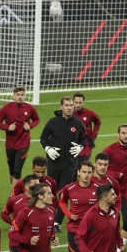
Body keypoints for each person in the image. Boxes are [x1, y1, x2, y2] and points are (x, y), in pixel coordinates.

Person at [39, 96, 86, 232]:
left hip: (70, 165)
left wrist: (80, 147)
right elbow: (43, 138)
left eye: (71, 105)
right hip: (53, 163)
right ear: (61, 107)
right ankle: (47, 218)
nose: (69, 108)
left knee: (63, 194)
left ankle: (56, 222)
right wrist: (48, 148)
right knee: (50, 193)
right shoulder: (52, 122)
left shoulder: (78, 124)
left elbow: (84, 139)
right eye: (67, 105)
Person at [102, 124, 127, 252]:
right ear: (118, 134)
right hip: (110, 193)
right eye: (123, 133)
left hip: (126, 193)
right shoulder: (109, 150)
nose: (126, 136)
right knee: (107, 223)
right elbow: (100, 167)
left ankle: (119, 250)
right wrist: (115, 174)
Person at [0, 86, 40, 187]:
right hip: (10, 144)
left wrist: (30, 126)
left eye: (22, 95)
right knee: (12, 170)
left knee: (17, 171)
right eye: (18, 95)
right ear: (13, 96)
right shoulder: (6, 108)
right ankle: (14, 190)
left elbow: (37, 120)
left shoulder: (30, 108)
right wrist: (7, 127)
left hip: (23, 143)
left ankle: (13, 194)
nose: (20, 97)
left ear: (25, 96)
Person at [73, 92, 102, 164]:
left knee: (84, 168)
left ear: (84, 103)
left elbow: (98, 122)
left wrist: (93, 136)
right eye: (76, 102)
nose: (78, 105)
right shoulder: (69, 114)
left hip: (86, 147)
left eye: (80, 103)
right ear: (73, 102)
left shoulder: (90, 114)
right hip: (72, 147)